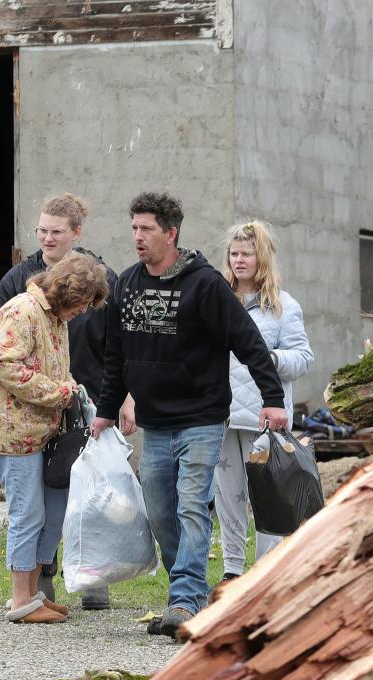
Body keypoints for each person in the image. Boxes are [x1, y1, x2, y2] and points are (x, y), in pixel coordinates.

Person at [91, 192, 287, 638]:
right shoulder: (127, 285)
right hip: (156, 423)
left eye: (147, 229)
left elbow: (249, 343)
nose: (137, 237)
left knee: (193, 505)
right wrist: (106, 409)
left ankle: (185, 596)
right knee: (161, 510)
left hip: (201, 417)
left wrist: (272, 398)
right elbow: (115, 354)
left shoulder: (205, 285)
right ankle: (190, 589)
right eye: (134, 227)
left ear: (171, 233)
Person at [0, 192, 132, 611]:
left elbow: (75, 362)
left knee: (55, 508)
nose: (83, 314)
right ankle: (22, 600)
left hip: (51, 425)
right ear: (68, 295)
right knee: (28, 514)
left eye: (56, 231)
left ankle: (40, 594)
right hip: (18, 433)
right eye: (81, 307)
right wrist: (61, 393)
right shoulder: (24, 306)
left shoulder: (56, 313)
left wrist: (85, 398)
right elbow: (1, 363)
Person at [214, 221, 314, 580]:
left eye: (247, 253)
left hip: (264, 417)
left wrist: (267, 358)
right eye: (234, 253)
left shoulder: (284, 306)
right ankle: (231, 571)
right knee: (228, 499)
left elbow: (303, 358)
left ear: (263, 257)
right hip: (223, 416)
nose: (239, 260)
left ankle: (267, 573)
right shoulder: (217, 299)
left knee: (269, 497)